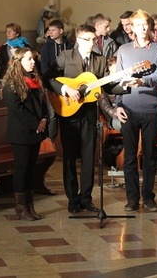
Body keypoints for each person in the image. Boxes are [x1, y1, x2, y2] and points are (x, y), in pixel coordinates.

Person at [44, 24, 111, 214]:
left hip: (90, 114)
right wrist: (66, 89)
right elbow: (48, 78)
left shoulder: (100, 60)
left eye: (93, 40)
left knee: (90, 157)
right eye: (87, 40)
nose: (91, 44)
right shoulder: (65, 56)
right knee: (70, 157)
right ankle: (72, 198)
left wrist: (126, 84)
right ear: (77, 40)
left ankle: (86, 198)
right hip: (69, 113)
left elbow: (108, 86)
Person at [114, 9, 157, 212]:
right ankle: (132, 198)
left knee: (150, 156)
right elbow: (118, 81)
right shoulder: (124, 50)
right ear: (132, 28)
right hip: (128, 107)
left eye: (146, 24)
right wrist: (118, 105)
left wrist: (142, 80)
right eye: (138, 25)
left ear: (150, 27)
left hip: (150, 108)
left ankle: (149, 197)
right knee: (129, 157)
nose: (142, 28)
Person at [2, 48, 48, 221]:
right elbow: (17, 110)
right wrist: (36, 123)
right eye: (29, 59)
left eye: (34, 59)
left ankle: (30, 205)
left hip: (36, 132)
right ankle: (21, 208)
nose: (33, 62)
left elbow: (42, 103)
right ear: (18, 61)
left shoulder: (35, 80)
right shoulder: (11, 84)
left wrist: (43, 119)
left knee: (31, 169)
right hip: (21, 133)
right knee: (22, 170)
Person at [40, 19, 74, 143]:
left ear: (61, 31)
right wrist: (53, 81)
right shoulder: (46, 47)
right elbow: (44, 68)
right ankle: (51, 142)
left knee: (67, 113)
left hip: (68, 84)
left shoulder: (69, 45)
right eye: (49, 30)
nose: (50, 32)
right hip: (52, 84)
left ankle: (66, 143)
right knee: (52, 115)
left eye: (53, 30)